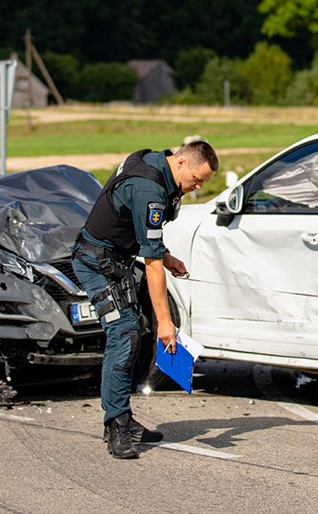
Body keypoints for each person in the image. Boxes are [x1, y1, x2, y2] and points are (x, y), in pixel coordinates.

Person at [72, 140, 218, 459]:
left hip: (114, 259)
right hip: (95, 262)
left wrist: (167, 257)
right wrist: (167, 322)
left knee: (139, 334)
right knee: (124, 335)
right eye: (196, 180)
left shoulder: (155, 162)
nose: (195, 188)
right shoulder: (148, 189)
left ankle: (122, 415)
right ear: (180, 163)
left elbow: (142, 235)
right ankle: (116, 427)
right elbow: (150, 262)